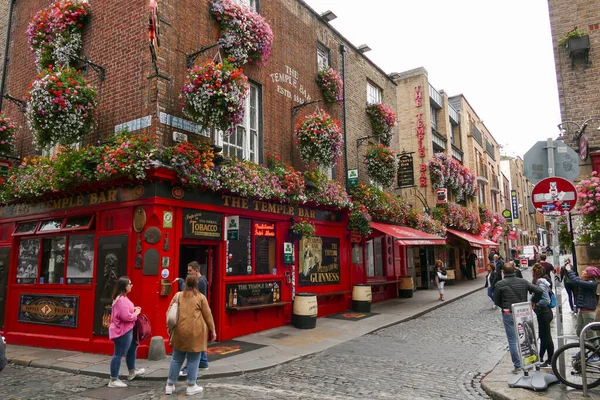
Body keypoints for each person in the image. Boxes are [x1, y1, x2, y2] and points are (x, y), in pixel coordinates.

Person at [165, 274, 216, 396]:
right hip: (195, 332)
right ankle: (191, 385)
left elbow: (169, 312)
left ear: (186, 283)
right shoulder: (201, 297)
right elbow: (208, 315)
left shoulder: (178, 295)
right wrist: (212, 330)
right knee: (193, 359)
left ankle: (170, 385)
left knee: (176, 358)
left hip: (179, 331)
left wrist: (169, 327)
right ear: (196, 284)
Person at [494, 262, 543, 373]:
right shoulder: (523, 282)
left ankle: (517, 364)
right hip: (523, 312)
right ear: (515, 271)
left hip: (509, 312)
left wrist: (504, 306)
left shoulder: (499, 284)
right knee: (528, 337)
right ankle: (530, 360)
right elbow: (539, 291)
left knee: (512, 340)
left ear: (503, 272)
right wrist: (533, 301)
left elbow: (496, 301)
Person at [173, 261, 209, 376]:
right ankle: (203, 362)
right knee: (198, 341)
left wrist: (180, 281)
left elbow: (186, 289)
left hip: (196, 316)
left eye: (190, 271)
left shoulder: (201, 281)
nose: (188, 273)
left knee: (192, 343)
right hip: (197, 315)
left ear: (196, 271)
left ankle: (188, 368)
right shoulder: (202, 279)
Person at [108, 276, 145, 388]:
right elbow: (126, 317)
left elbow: (122, 312)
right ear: (124, 286)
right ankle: (113, 380)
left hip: (126, 329)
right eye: (130, 284)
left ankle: (132, 371)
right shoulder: (121, 300)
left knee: (132, 347)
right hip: (122, 331)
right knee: (118, 354)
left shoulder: (121, 298)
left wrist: (133, 309)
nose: (131, 285)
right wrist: (136, 313)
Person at [566, 264, 598, 342]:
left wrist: (569, 270)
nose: (583, 272)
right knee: (579, 331)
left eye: (585, 271)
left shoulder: (591, 283)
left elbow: (576, 281)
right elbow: (576, 279)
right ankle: (584, 349)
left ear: (589, 275)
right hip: (582, 310)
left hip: (588, 311)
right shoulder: (584, 281)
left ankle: (596, 350)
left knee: (591, 333)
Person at [531, 263, 554, 367]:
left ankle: (550, 360)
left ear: (535, 272)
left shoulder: (541, 283)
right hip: (542, 313)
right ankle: (541, 356)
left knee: (547, 337)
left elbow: (546, 300)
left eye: (532, 271)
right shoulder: (540, 282)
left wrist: (534, 304)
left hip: (544, 312)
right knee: (542, 336)